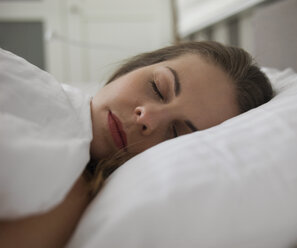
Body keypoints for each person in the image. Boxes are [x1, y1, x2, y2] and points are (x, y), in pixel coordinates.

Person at [0, 41, 273, 247]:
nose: (148, 118)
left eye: (176, 133)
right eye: (158, 88)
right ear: (134, 68)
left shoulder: (65, 195)